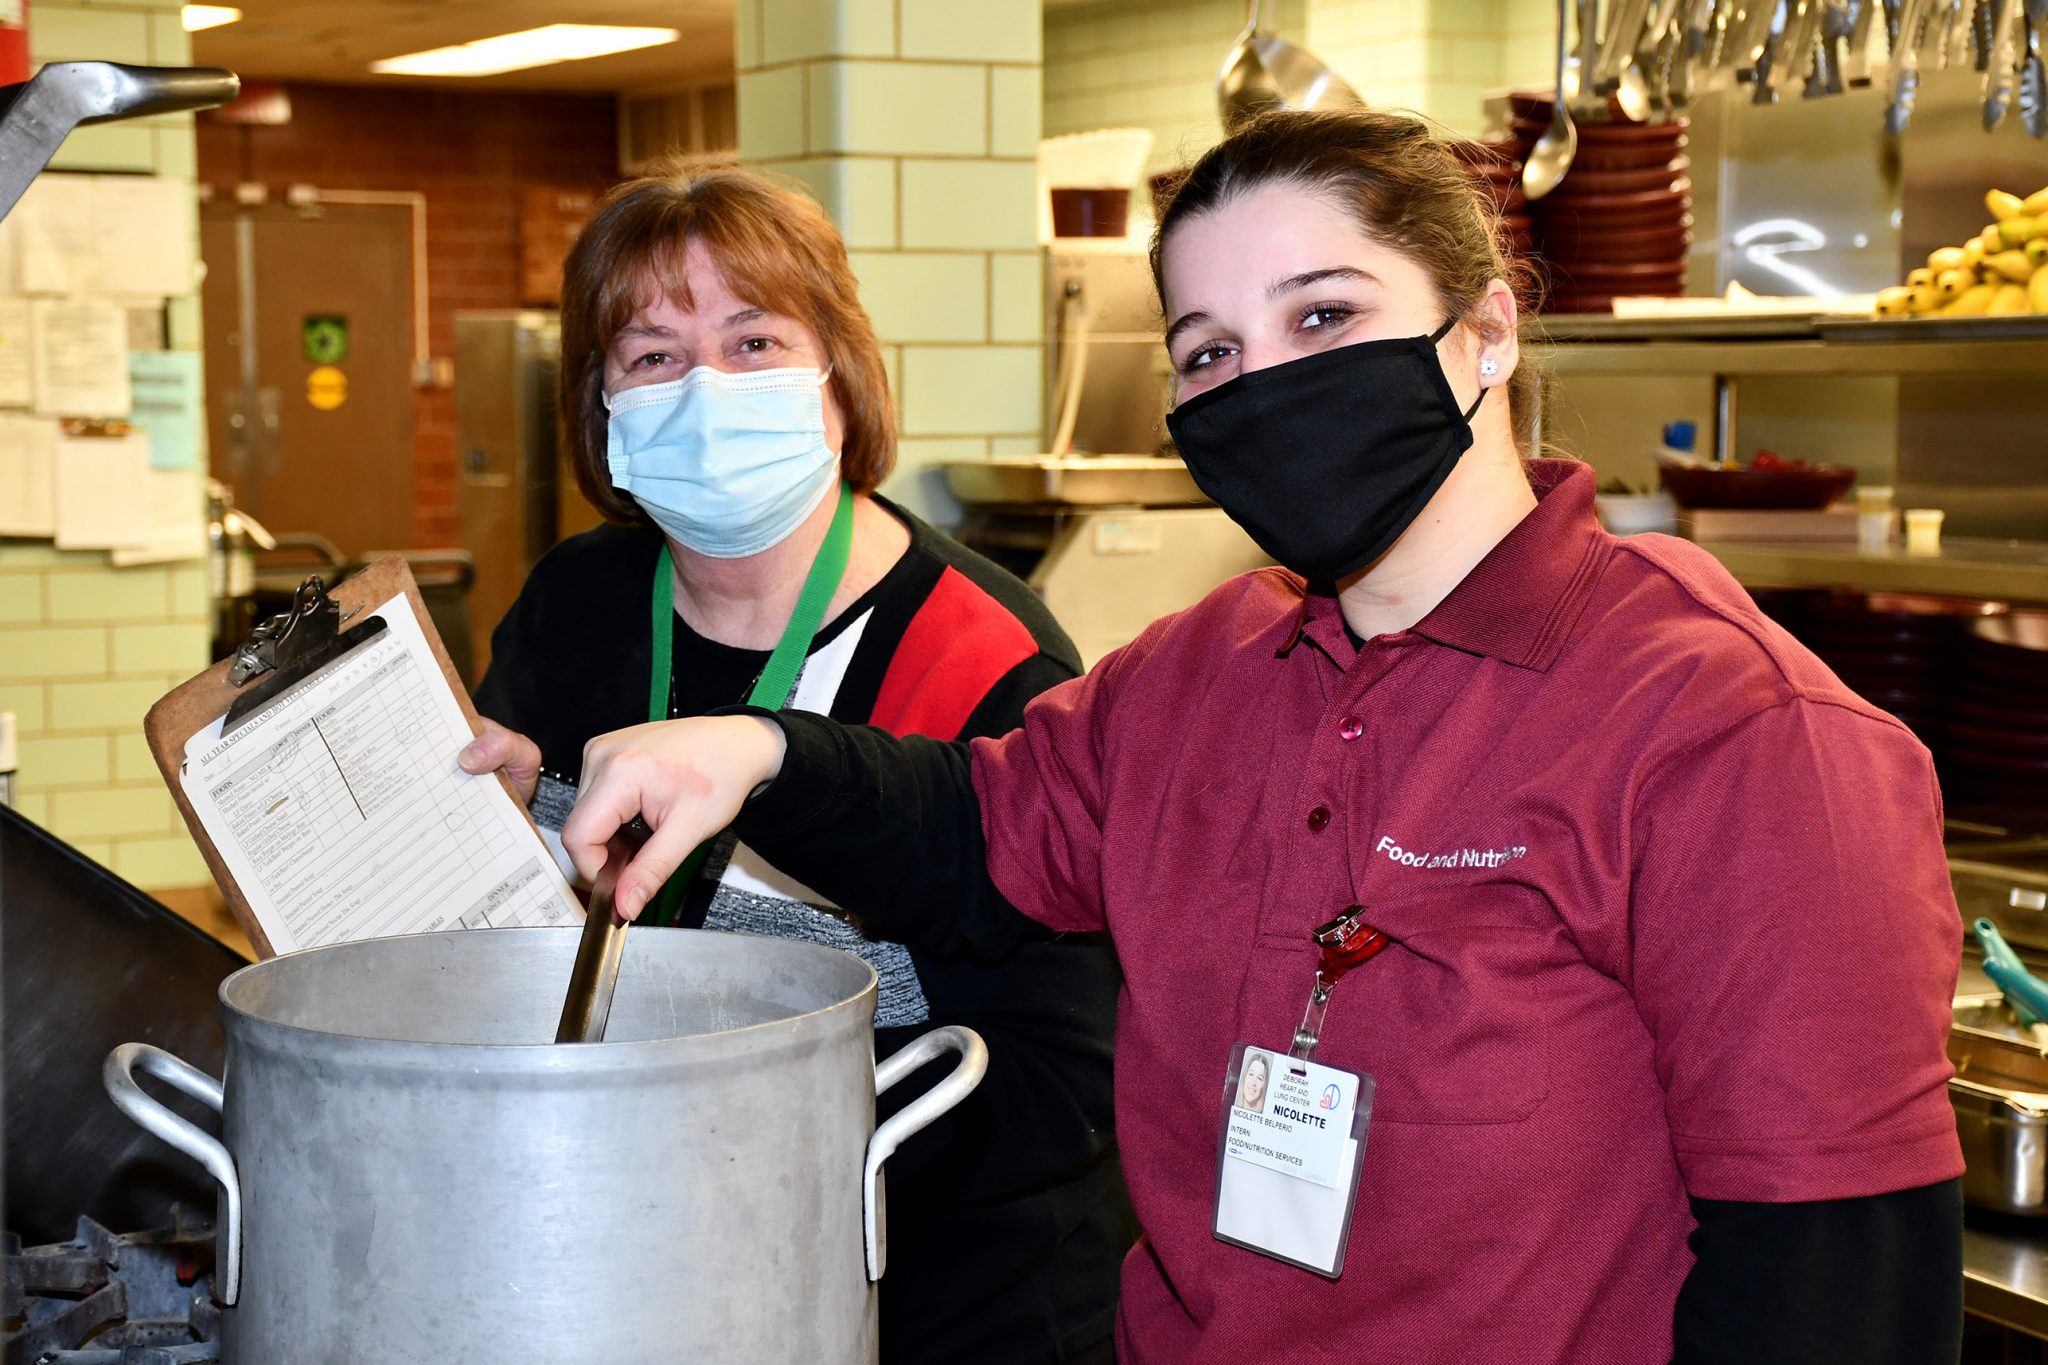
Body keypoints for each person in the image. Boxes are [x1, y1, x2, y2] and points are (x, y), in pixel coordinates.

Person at [557, 111, 1966, 1364]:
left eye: (1324, 318)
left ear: (1488, 331)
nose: (1265, 384)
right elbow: (983, 833)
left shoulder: (1737, 733)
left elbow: (1834, 1281)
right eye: (1210, 352)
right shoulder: (1201, 669)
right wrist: (755, 753)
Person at [456, 165, 1130, 1365]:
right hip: (631, 1259)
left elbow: (1059, 1085)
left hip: (931, 1293)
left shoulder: (987, 662)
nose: (705, 388)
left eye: (754, 339)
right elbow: (534, 942)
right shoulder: (577, 603)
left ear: (838, 379)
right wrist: (496, 829)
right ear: (600, 405)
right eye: (652, 355)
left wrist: (723, 1133)